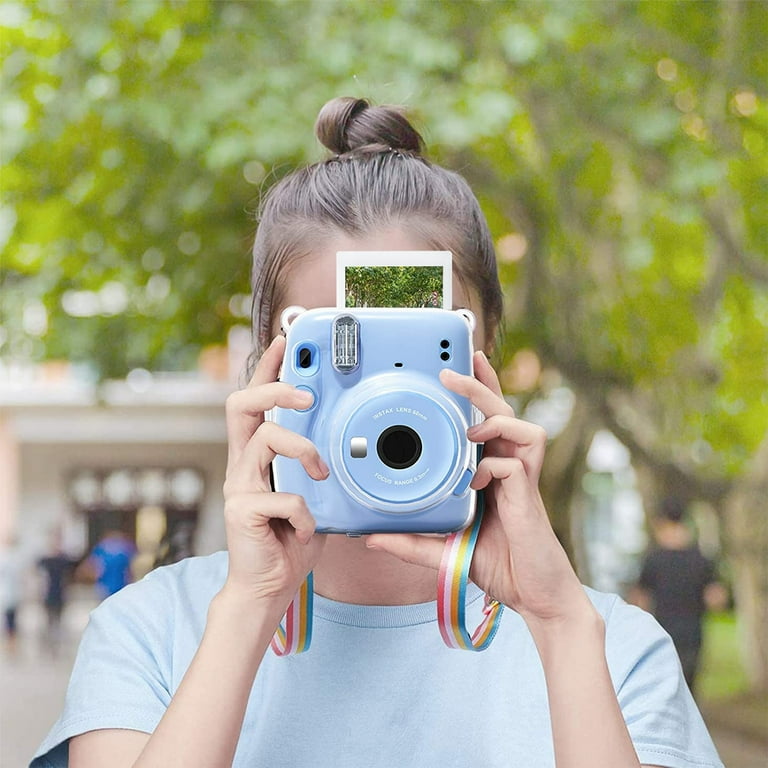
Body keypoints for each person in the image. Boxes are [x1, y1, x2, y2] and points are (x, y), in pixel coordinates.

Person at [33, 98, 724, 768]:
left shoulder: (611, 648)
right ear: (269, 362)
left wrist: (561, 626)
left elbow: (575, 629)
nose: (383, 395)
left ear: (485, 354)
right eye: (344, 349)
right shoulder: (153, 628)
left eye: (421, 345)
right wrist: (249, 608)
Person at [632, 496, 727, 697]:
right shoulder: (701, 559)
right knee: (688, 691)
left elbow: (640, 601)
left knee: (665, 691)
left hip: (662, 633)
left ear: (661, 522)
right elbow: (717, 600)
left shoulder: (653, 560)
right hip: (693, 634)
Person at [37, 528, 78, 657]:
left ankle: (56, 646)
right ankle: (49, 645)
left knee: (59, 620)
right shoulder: (45, 559)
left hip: (60, 593)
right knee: (49, 620)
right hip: (48, 592)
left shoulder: (63, 559)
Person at [76, 527, 137, 600]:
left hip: (104, 587)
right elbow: (131, 568)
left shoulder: (102, 548)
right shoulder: (126, 547)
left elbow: (91, 568)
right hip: (121, 585)